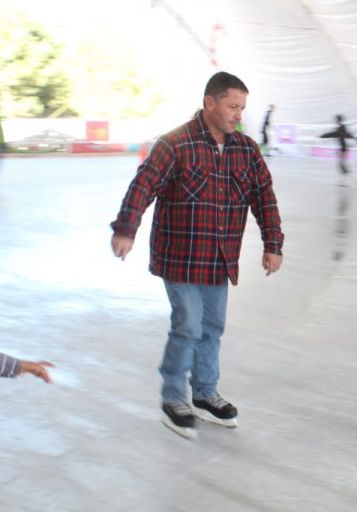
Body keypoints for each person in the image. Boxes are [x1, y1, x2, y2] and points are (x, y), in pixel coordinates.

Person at [110, 71, 284, 439]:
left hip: (219, 258)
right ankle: (174, 397)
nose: (238, 114)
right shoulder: (175, 144)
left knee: (212, 328)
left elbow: (263, 196)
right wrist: (126, 229)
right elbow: (143, 185)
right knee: (188, 325)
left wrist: (273, 243)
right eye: (232, 106)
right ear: (210, 102)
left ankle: (205, 394)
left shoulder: (246, 149)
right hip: (181, 256)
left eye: (242, 107)